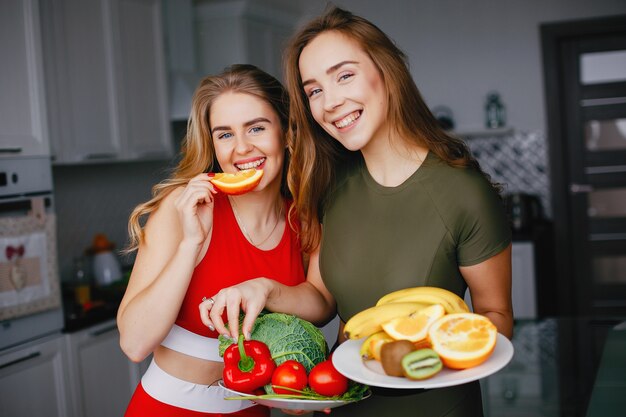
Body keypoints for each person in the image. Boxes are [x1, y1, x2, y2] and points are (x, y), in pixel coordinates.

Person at [201, 6, 513, 417]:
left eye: (344, 75)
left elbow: (497, 316)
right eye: (314, 90)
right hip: (345, 404)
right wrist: (264, 289)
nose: (331, 102)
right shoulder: (329, 186)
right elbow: (321, 299)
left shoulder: (464, 193)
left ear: (385, 72)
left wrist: (427, 353)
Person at [117, 64, 308, 417]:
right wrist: (191, 243)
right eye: (225, 134)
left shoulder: (305, 221)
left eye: (256, 127)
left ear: (286, 133)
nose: (242, 148)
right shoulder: (183, 206)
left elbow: (319, 307)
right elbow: (134, 343)